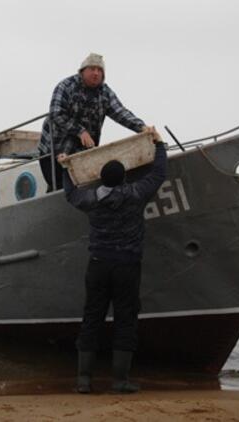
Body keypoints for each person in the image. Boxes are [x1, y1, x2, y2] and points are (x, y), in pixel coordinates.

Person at [63, 131, 167, 394]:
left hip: (98, 265)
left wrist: (66, 166)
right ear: (123, 177)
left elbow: (71, 193)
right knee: (125, 320)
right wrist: (160, 144)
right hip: (127, 266)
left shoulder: (90, 200)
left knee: (91, 318)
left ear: (101, 178)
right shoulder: (135, 194)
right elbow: (157, 175)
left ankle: (84, 381)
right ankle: (120, 381)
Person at [38, 53, 151, 192]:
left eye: (99, 70)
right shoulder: (66, 86)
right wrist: (80, 131)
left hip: (82, 153)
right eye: (92, 69)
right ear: (82, 71)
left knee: (80, 189)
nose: (96, 73)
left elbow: (120, 112)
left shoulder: (105, 93)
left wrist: (142, 127)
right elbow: (56, 113)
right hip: (54, 150)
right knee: (59, 188)